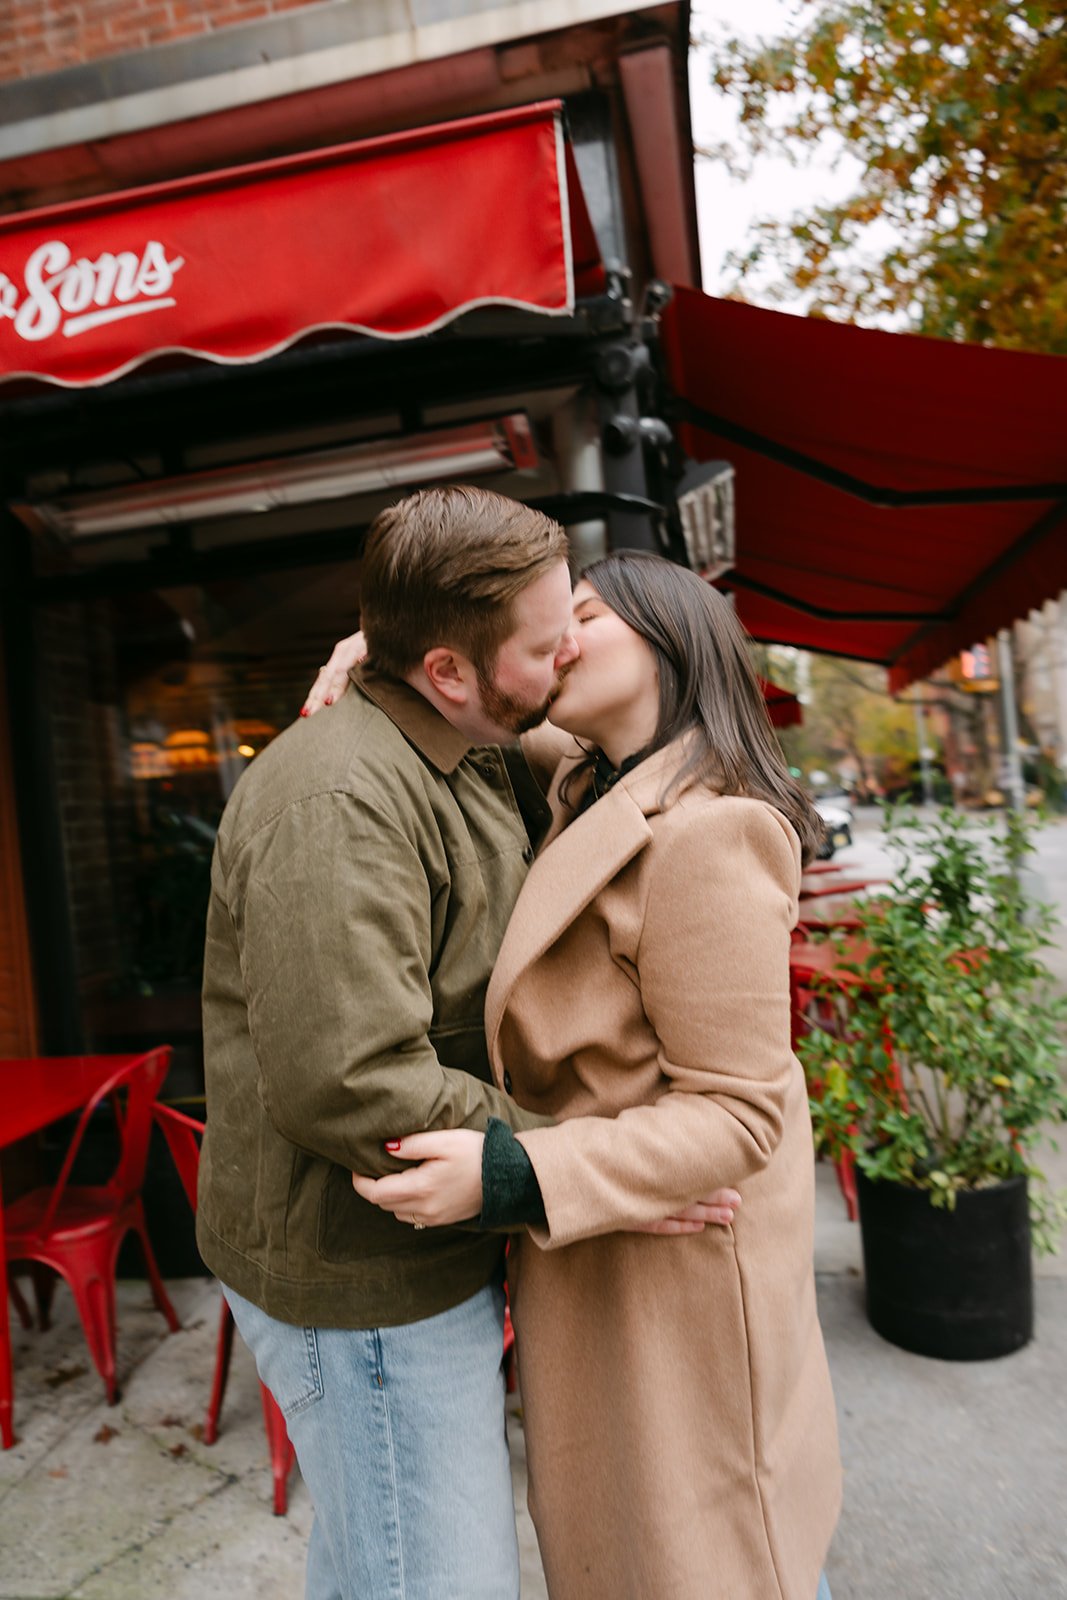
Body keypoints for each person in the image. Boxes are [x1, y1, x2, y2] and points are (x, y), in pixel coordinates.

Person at [199, 487, 738, 1600]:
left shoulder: (475, 739)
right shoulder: (339, 800)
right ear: (448, 671)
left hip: (422, 1256)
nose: (566, 656)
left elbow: (597, 731)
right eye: (547, 645)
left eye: (572, 625)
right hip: (363, 1284)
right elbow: (352, 1083)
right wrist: (576, 1165)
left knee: (376, 1562)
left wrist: (377, 642)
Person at [349, 551, 843, 1600]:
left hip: (679, 1276)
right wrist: (382, 651)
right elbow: (498, 701)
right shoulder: (592, 775)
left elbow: (738, 1113)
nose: (557, 642)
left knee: (713, 1560)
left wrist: (511, 1175)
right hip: (615, 1246)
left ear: (666, 641)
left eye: (581, 615)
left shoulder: (711, 830)